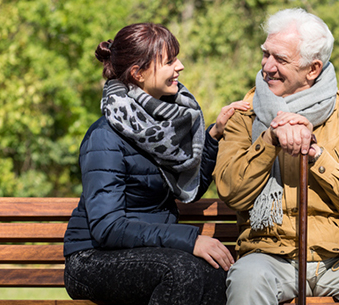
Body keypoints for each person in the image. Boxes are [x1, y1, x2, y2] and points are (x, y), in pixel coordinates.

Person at [213, 8, 339, 305]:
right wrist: (270, 139)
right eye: (266, 53)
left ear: (313, 69)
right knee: (248, 281)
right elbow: (232, 192)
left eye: (280, 59)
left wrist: (316, 156)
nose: (267, 67)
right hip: (270, 255)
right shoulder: (246, 113)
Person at [63, 22, 249, 305]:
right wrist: (191, 240)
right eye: (170, 60)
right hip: (92, 258)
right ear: (138, 73)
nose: (181, 66)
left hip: (150, 250)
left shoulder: (163, 131)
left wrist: (213, 137)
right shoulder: (104, 137)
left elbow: (187, 190)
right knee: (181, 273)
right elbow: (107, 227)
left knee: (220, 275)